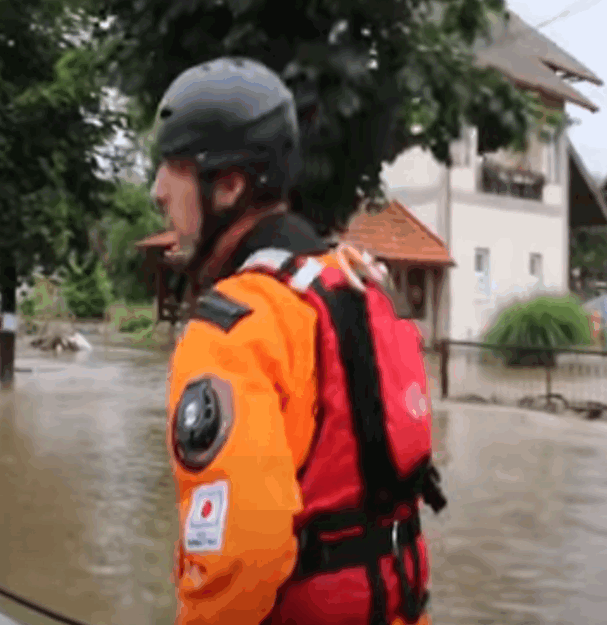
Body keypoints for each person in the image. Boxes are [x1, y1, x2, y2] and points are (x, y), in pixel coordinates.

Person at [152, 56, 447, 625]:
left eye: (174, 167)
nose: (158, 190)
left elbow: (239, 561)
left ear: (230, 184)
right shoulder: (358, 284)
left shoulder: (231, 331)